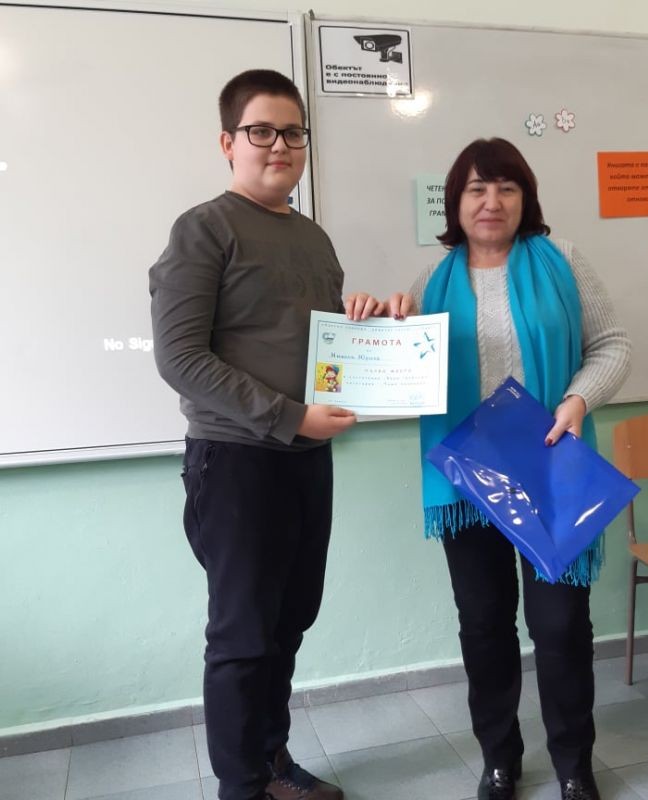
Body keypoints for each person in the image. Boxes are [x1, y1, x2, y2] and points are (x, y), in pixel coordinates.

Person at [149, 69, 382, 800]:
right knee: (243, 635)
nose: (279, 145)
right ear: (228, 142)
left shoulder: (313, 237)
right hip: (237, 459)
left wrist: (367, 330)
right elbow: (180, 358)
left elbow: (321, 352)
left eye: (293, 132)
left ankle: (271, 762)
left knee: (290, 620)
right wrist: (289, 417)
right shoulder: (204, 228)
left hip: (306, 459)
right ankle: (241, 787)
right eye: (261, 131)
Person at [378, 138, 631, 800]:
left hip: (548, 466)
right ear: (455, 202)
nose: (491, 201)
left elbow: (612, 345)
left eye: (506, 188)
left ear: (526, 198)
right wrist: (382, 331)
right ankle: (499, 759)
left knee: (560, 625)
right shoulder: (429, 284)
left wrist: (578, 400)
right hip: (466, 478)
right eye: (476, 188)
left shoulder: (562, 261)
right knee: (485, 625)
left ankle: (574, 764)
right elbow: (402, 372)